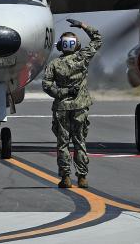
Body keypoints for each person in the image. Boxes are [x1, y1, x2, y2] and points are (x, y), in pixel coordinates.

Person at [42, 18, 102, 189]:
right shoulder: (82, 58)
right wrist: (83, 26)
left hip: (61, 108)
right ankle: (82, 177)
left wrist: (62, 92)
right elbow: (98, 39)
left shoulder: (54, 64)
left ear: (61, 46)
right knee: (79, 141)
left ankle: (66, 178)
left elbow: (46, 85)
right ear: (76, 46)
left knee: (62, 144)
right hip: (80, 107)